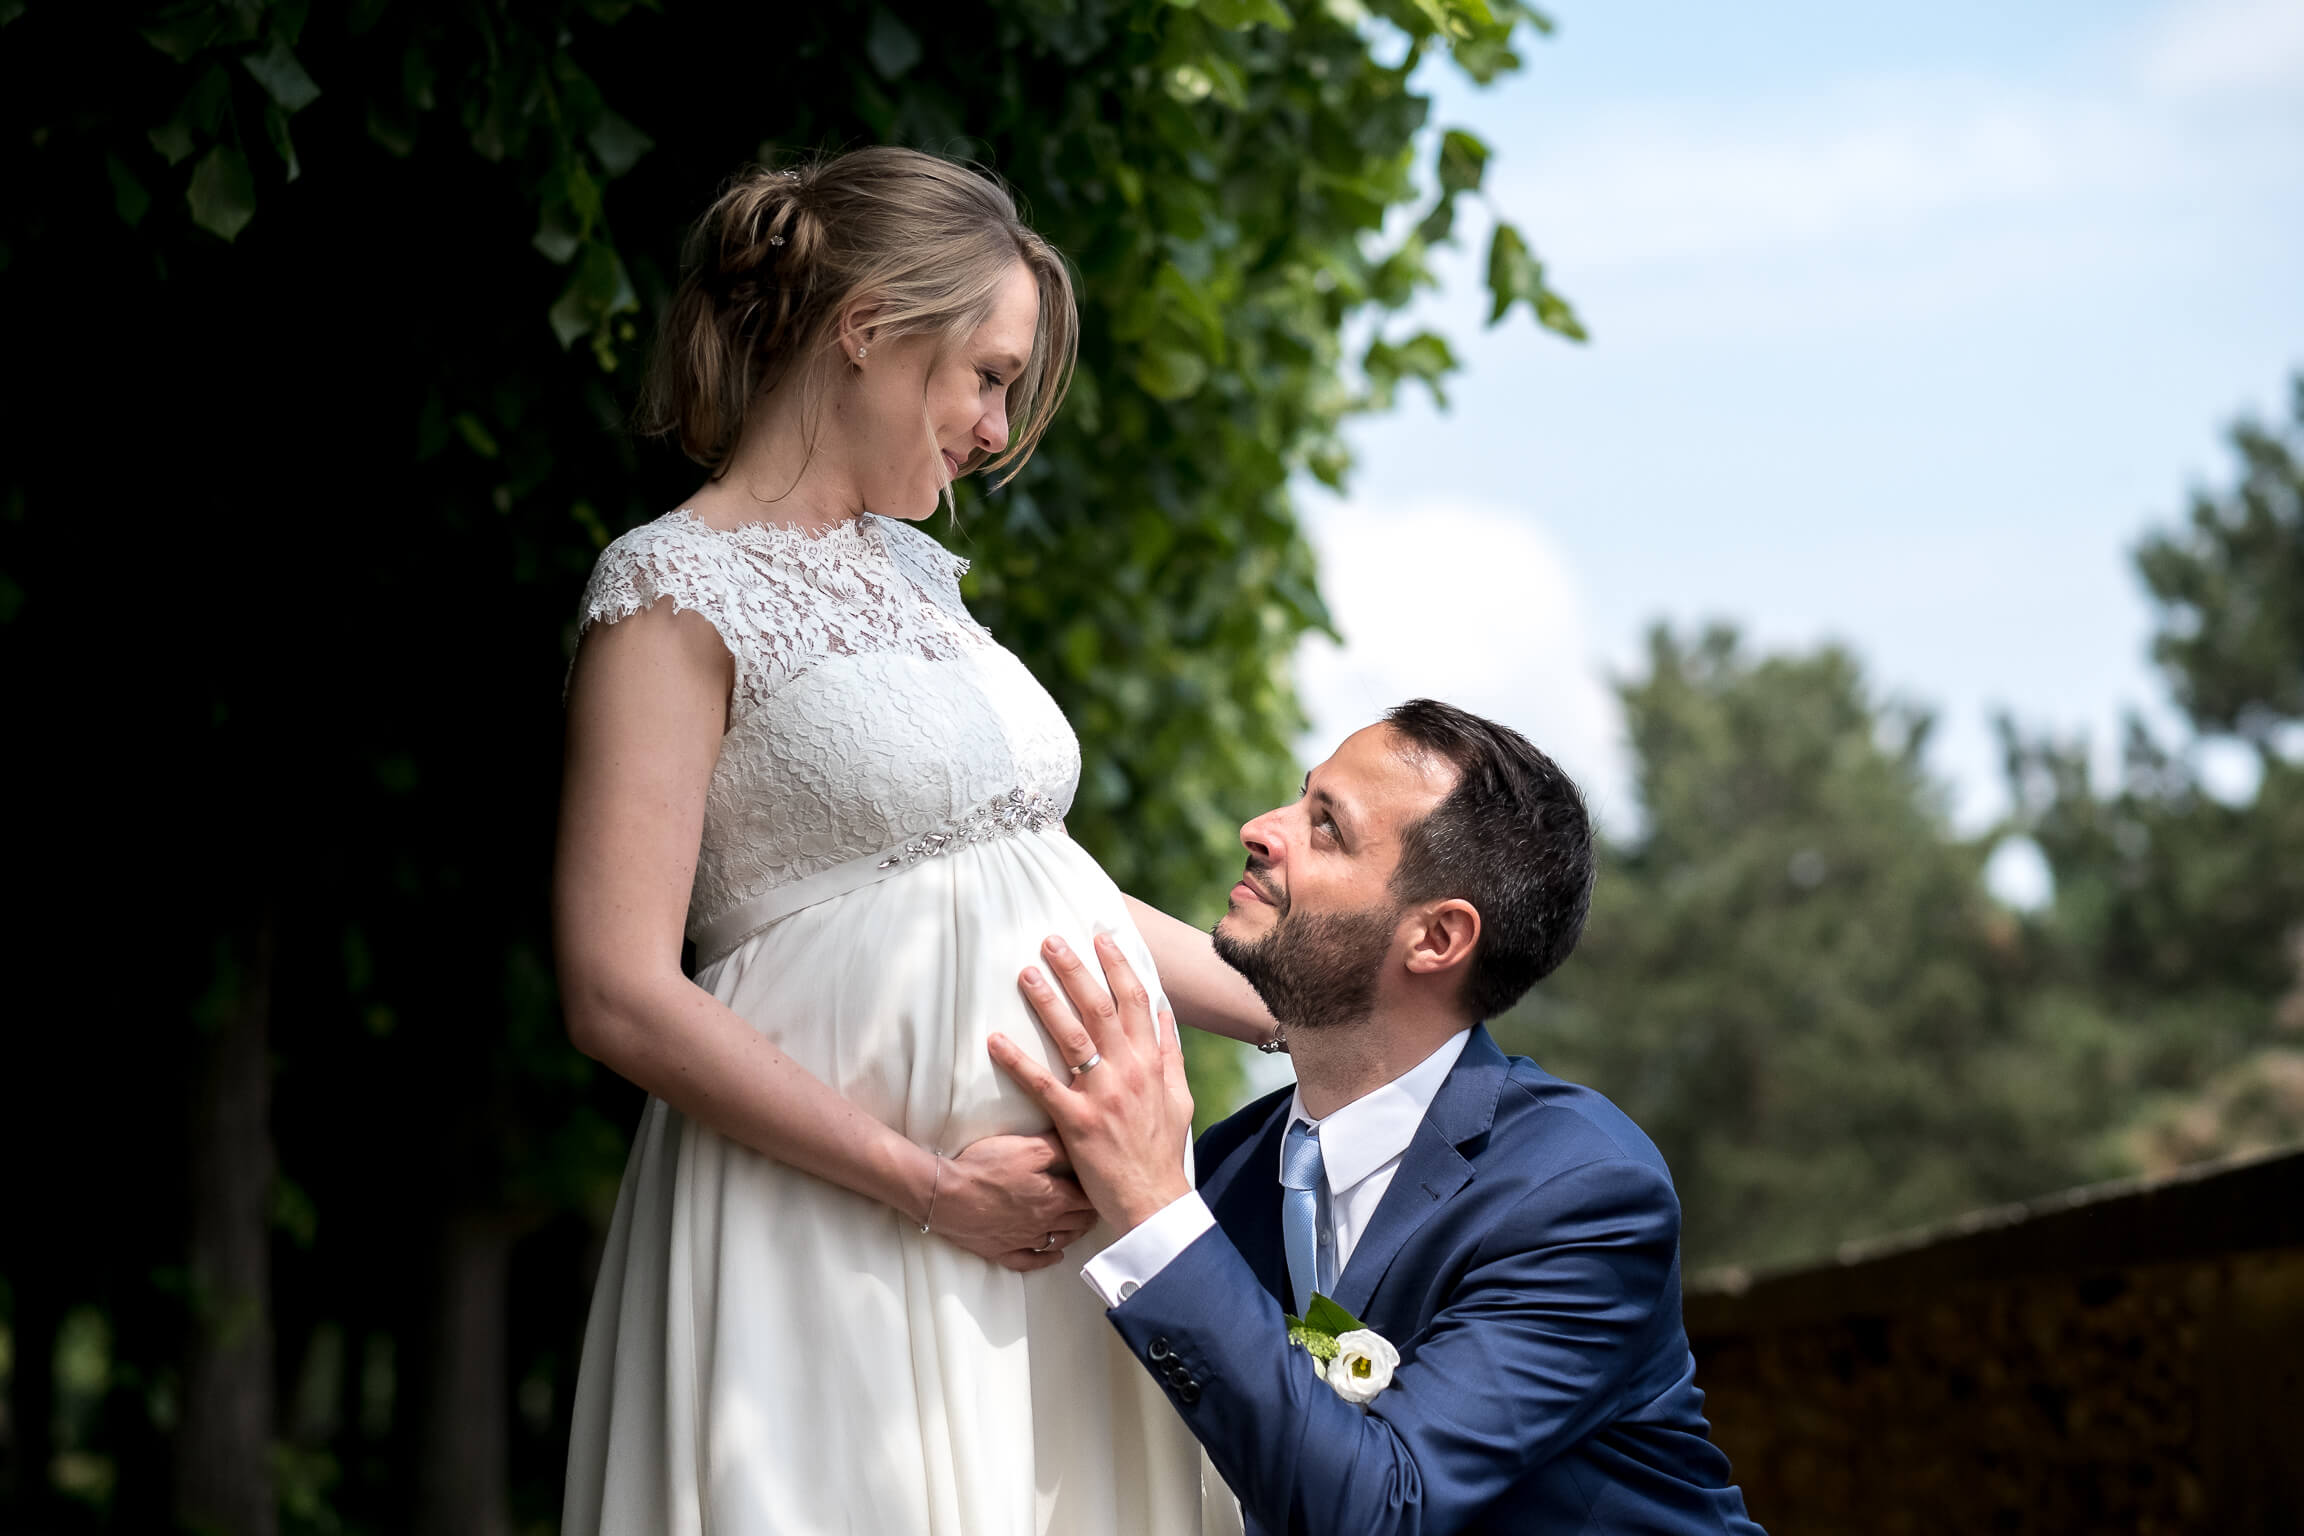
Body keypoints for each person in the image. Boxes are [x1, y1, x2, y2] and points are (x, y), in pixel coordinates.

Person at [553, 147, 1273, 1535]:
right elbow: (614, 988)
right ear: (869, 330)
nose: (999, 429)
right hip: (839, 1226)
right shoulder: (668, 591)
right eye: (989, 375)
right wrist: (932, 1188)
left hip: (1060, 1243)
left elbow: (1030, 880)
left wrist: (1292, 1009)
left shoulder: (918, 575)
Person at [993, 700, 1767, 1535]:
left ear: (1436, 938)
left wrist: (1153, 1202)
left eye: (1326, 827)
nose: (1261, 827)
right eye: (1299, 796)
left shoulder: (1581, 1193)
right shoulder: (1231, 1171)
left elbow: (1381, 1512)